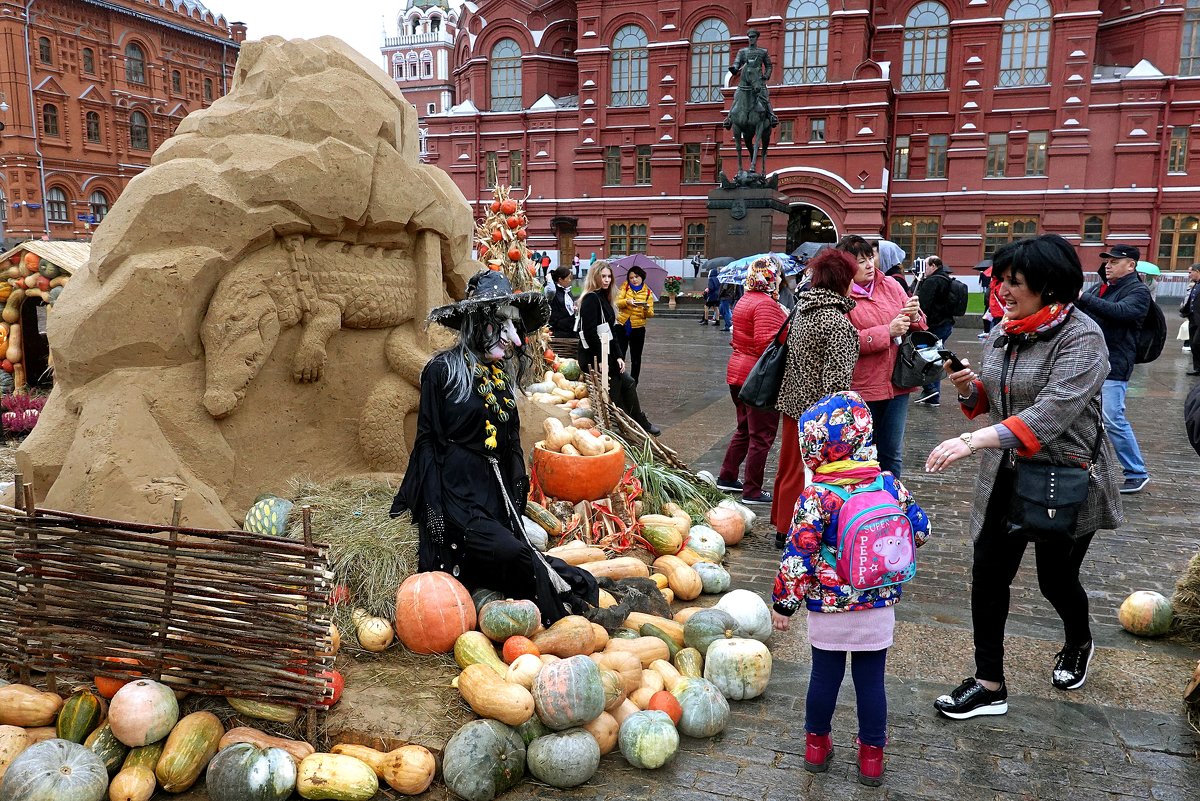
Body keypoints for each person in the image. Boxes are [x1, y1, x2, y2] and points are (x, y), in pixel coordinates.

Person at [925, 234, 1122, 720]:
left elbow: (1052, 413)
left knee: (1056, 580)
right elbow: (988, 403)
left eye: (1015, 282)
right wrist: (968, 390)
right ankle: (990, 683)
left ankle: (1078, 641)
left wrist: (970, 442)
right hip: (1005, 475)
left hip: (1066, 477)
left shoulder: (1083, 337)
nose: (1003, 291)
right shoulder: (1001, 332)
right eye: (1000, 281)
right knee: (988, 576)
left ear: (1049, 285)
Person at [390, 271, 600, 624]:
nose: (513, 337)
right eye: (500, 322)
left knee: (523, 550)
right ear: (477, 323)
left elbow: (510, 437)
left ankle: (575, 598)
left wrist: (517, 476)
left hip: (492, 490)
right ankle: (559, 617)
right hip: (455, 490)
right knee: (511, 553)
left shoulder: (499, 375)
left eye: (513, 324)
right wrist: (434, 507)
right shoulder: (441, 370)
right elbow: (427, 440)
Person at [771, 391, 930, 787]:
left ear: (815, 447)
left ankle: (816, 746)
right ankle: (872, 757)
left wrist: (784, 604)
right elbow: (921, 530)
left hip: (828, 606)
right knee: (871, 682)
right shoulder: (888, 484)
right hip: (877, 603)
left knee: (824, 678)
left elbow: (798, 556)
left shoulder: (817, 496)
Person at [772, 248, 860, 548]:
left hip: (792, 403)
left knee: (789, 469)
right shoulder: (837, 322)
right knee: (813, 474)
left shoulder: (803, 310)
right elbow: (837, 383)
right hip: (820, 415)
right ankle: (802, 530)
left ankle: (783, 527)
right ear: (842, 281)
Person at [840, 235, 925, 477]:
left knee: (892, 454)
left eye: (870, 257)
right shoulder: (841, 295)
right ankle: (863, 507)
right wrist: (886, 332)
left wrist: (915, 316)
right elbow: (845, 341)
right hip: (863, 387)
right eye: (860, 261)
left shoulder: (891, 285)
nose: (869, 264)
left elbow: (921, 326)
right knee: (861, 454)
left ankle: (892, 506)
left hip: (897, 383)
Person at [1075, 244, 1152, 494]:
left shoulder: (1138, 291)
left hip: (1115, 364)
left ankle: (1136, 472)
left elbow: (1122, 312)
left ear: (1131, 265)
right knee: (1083, 417)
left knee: (1113, 419)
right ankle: (1083, 466)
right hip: (1090, 361)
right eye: (1107, 261)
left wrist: (1085, 298)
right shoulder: (1101, 287)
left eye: (1114, 261)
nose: (1108, 265)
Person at [716, 258, 788, 505]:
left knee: (745, 429)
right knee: (762, 435)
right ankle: (753, 491)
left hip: (738, 372)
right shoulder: (766, 304)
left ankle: (727, 476)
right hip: (757, 377)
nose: (779, 278)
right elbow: (766, 344)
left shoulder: (745, 299)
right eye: (776, 274)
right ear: (768, 277)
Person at [577, 261, 661, 436]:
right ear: (595, 277)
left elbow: (611, 331)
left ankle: (632, 422)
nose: (607, 280)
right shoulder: (591, 298)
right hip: (594, 356)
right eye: (603, 276)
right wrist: (601, 359)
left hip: (605, 352)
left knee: (625, 383)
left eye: (609, 276)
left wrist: (619, 356)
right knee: (623, 384)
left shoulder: (605, 298)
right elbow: (590, 333)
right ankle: (633, 423)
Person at [914, 256, 960, 406]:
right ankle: (933, 395)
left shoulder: (933, 281)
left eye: (926, 266)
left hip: (934, 326)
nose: (925, 270)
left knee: (924, 357)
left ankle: (931, 390)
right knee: (935, 357)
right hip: (946, 324)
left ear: (933, 265)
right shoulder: (947, 279)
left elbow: (923, 306)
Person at [614, 264, 655, 383]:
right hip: (621, 326)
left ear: (642, 277)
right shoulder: (625, 288)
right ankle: (619, 380)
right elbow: (616, 302)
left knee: (636, 358)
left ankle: (633, 382)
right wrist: (627, 301)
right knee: (619, 355)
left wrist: (646, 308)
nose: (634, 280)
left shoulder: (647, 293)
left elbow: (651, 313)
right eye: (631, 277)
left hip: (638, 329)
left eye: (636, 277)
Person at [1180, 263, 1200, 375]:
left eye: (1190, 272)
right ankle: (1197, 368)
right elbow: (1191, 300)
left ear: (1197, 271)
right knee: (1193, 343)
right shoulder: (1195, 285)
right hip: (1193, 318)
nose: (1189, 275)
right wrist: (1185, 311)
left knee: (1197, 343)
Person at [546, 266, 576, 338]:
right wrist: (549, 278)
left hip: (569, 329)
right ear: (560, 279)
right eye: (568, 278)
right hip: (558, 330)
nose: (570, 280)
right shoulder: (552, 292)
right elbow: (552, 290)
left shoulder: (567, 290)